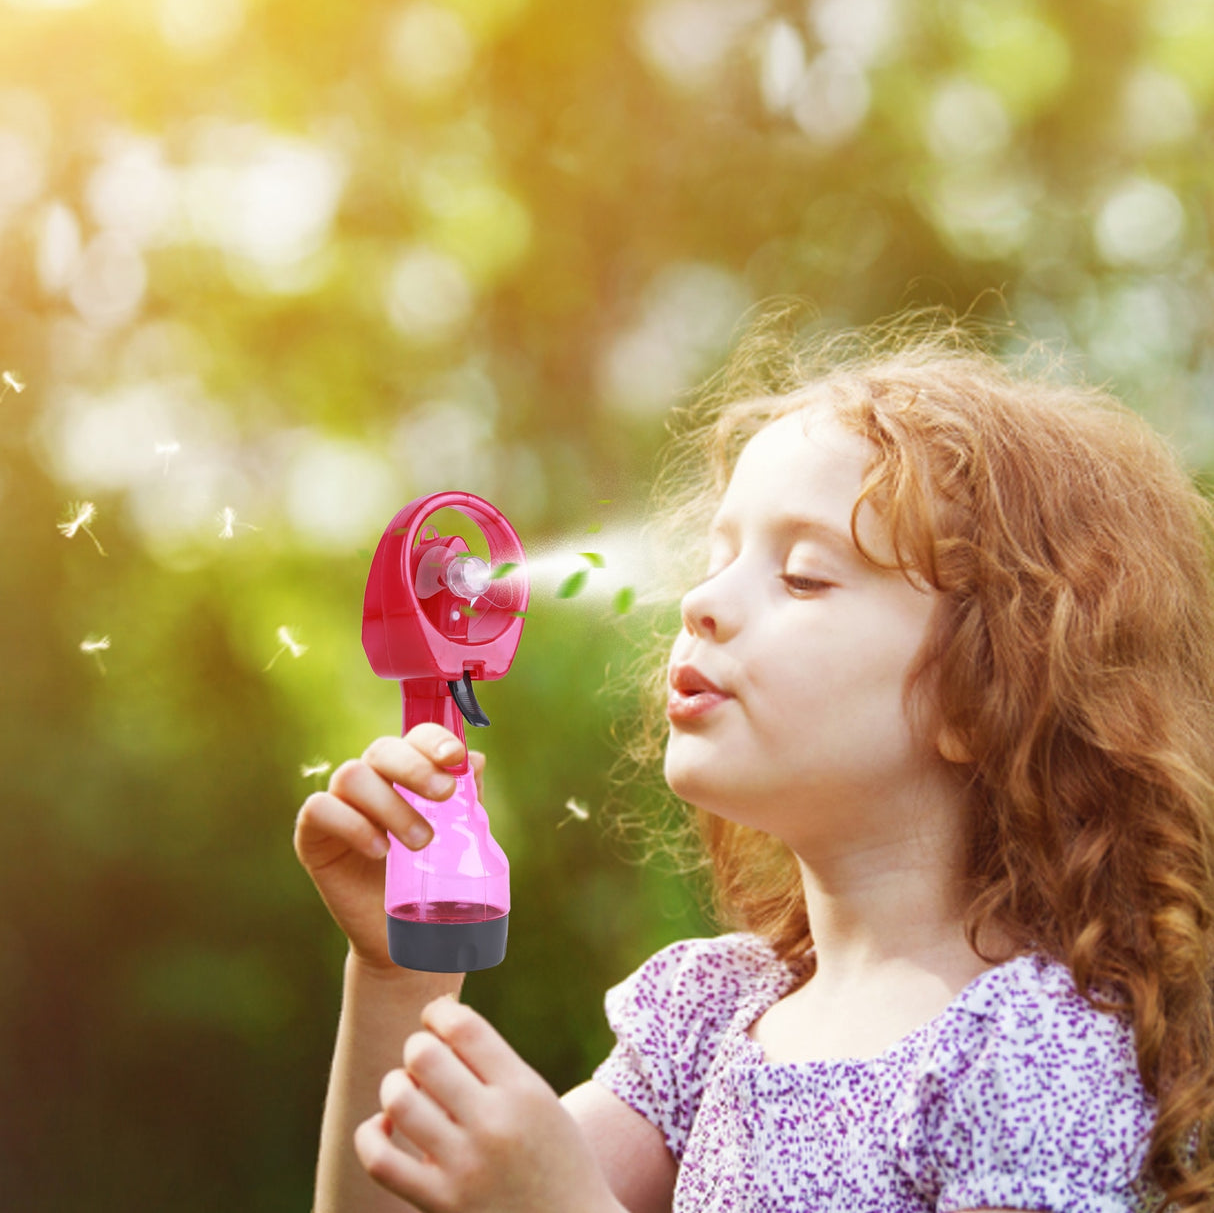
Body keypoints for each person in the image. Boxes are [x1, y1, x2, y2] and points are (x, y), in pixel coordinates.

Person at [296, 313, 1214, 1212]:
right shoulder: (705, 1020)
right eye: (716, 558)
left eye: (805, 575)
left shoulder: (1037, 1055)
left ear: (989, 687)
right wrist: (397, 974)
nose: (700, 601)